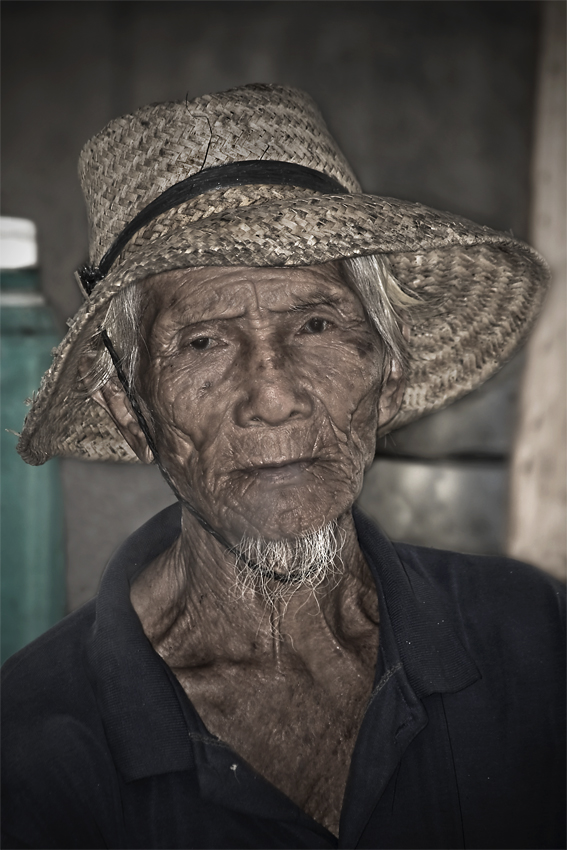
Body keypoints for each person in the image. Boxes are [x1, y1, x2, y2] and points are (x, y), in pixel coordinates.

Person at [2, 84, 564, 850]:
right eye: (203, 341)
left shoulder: (533, 636)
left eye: (316, 323)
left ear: (388, 376)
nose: (272, 396)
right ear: (130, 414)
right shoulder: (30, 745)